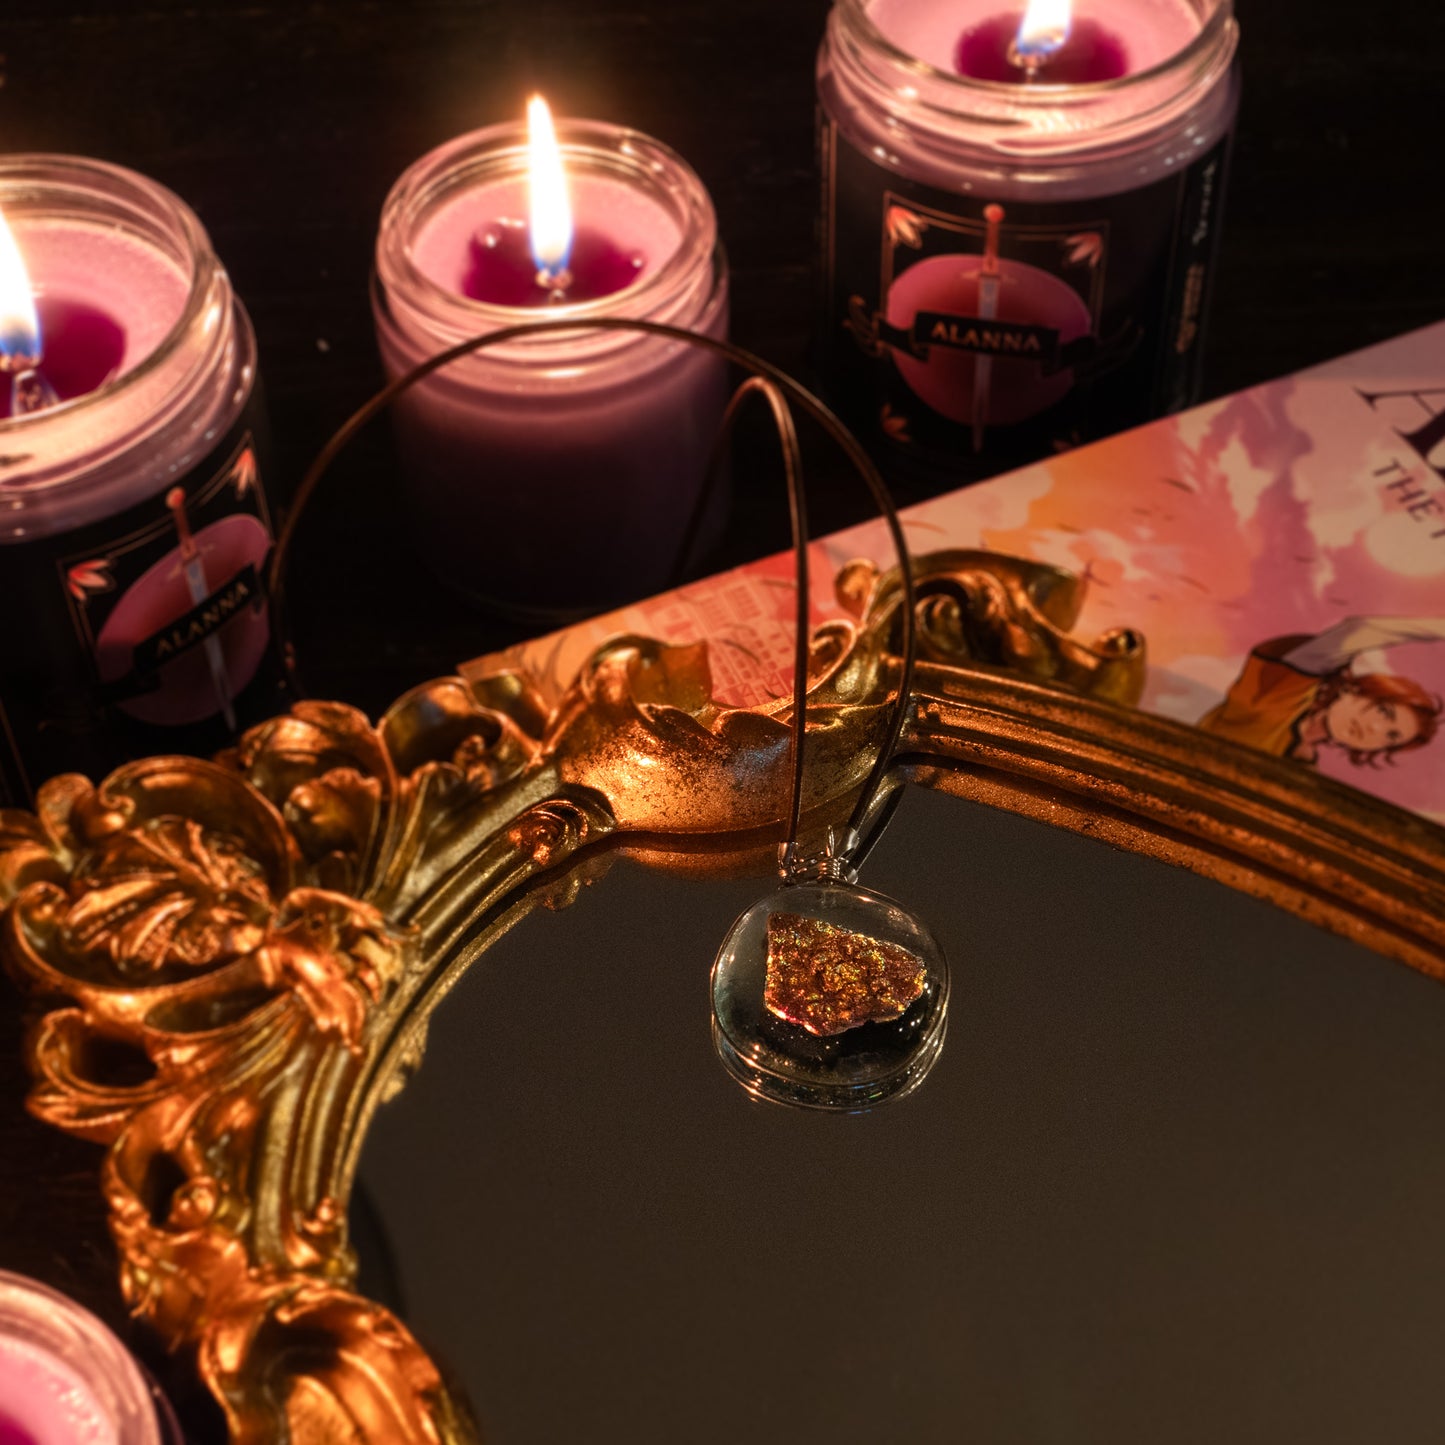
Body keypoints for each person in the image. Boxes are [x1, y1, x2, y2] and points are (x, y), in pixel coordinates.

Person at [1198, 616, 1445, 767]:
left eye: (1392, 736)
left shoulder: (1305, 764)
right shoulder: (1282, 695)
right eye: (1383, 711)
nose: (1375, 729)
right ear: (1355, 690)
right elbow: (1361, 630)